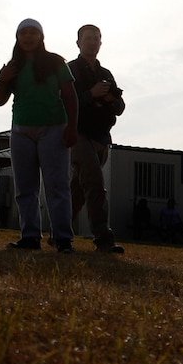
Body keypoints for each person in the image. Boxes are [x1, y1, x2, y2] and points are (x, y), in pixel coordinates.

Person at [0, 19, 79, 252]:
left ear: (41, 37)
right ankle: (30, 237)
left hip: (54, 129)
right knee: (25, 188)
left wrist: (72, 128)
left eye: (33, 32)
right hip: (21, 131)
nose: (28, 36)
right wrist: (2, 78)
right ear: (17, 37)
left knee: (57, 187)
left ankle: (63, 240)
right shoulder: (14, 65)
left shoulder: (55, 62)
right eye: (23, 33)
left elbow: (71, 96)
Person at [69, 24, 126, 253]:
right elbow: (64, 103)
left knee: (79, 191)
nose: (93, 41)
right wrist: (90, 94)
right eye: (88, 38)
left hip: (101, 138)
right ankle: (103, 239)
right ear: (79, 42)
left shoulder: (106, 74)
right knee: (95, 184)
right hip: (78, 135)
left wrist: (111, 98)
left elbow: (120, 108)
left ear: (101, 43)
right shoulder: (70, 69)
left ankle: (58, 232)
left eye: (97, 38)